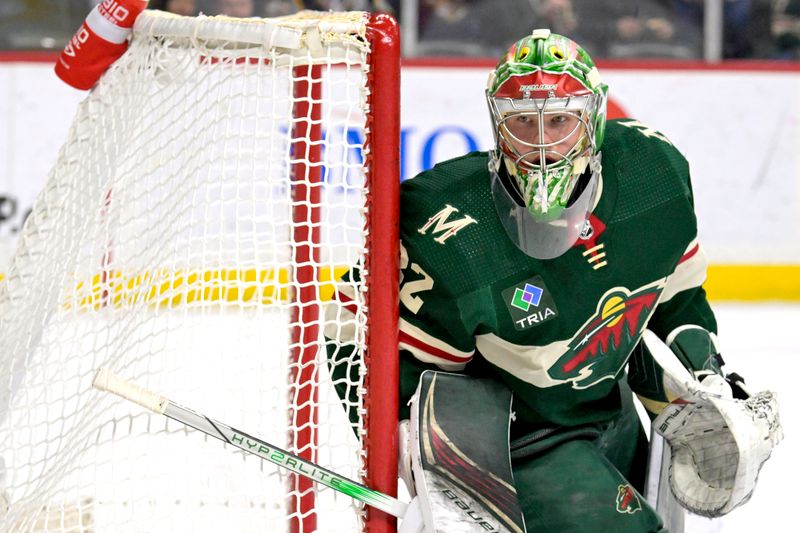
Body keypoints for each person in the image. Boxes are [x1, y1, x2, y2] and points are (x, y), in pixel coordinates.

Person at [328, 29, 780, 531]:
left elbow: (674, 297)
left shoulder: (655, 177)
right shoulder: (449, 227)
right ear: (498, 125)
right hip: (522, 443)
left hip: (613, 413)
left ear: (594, 121)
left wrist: (711, 377)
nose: (542, 145)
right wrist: (428, 461)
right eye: (523, 121)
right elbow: (350, 331)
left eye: (561, 120)